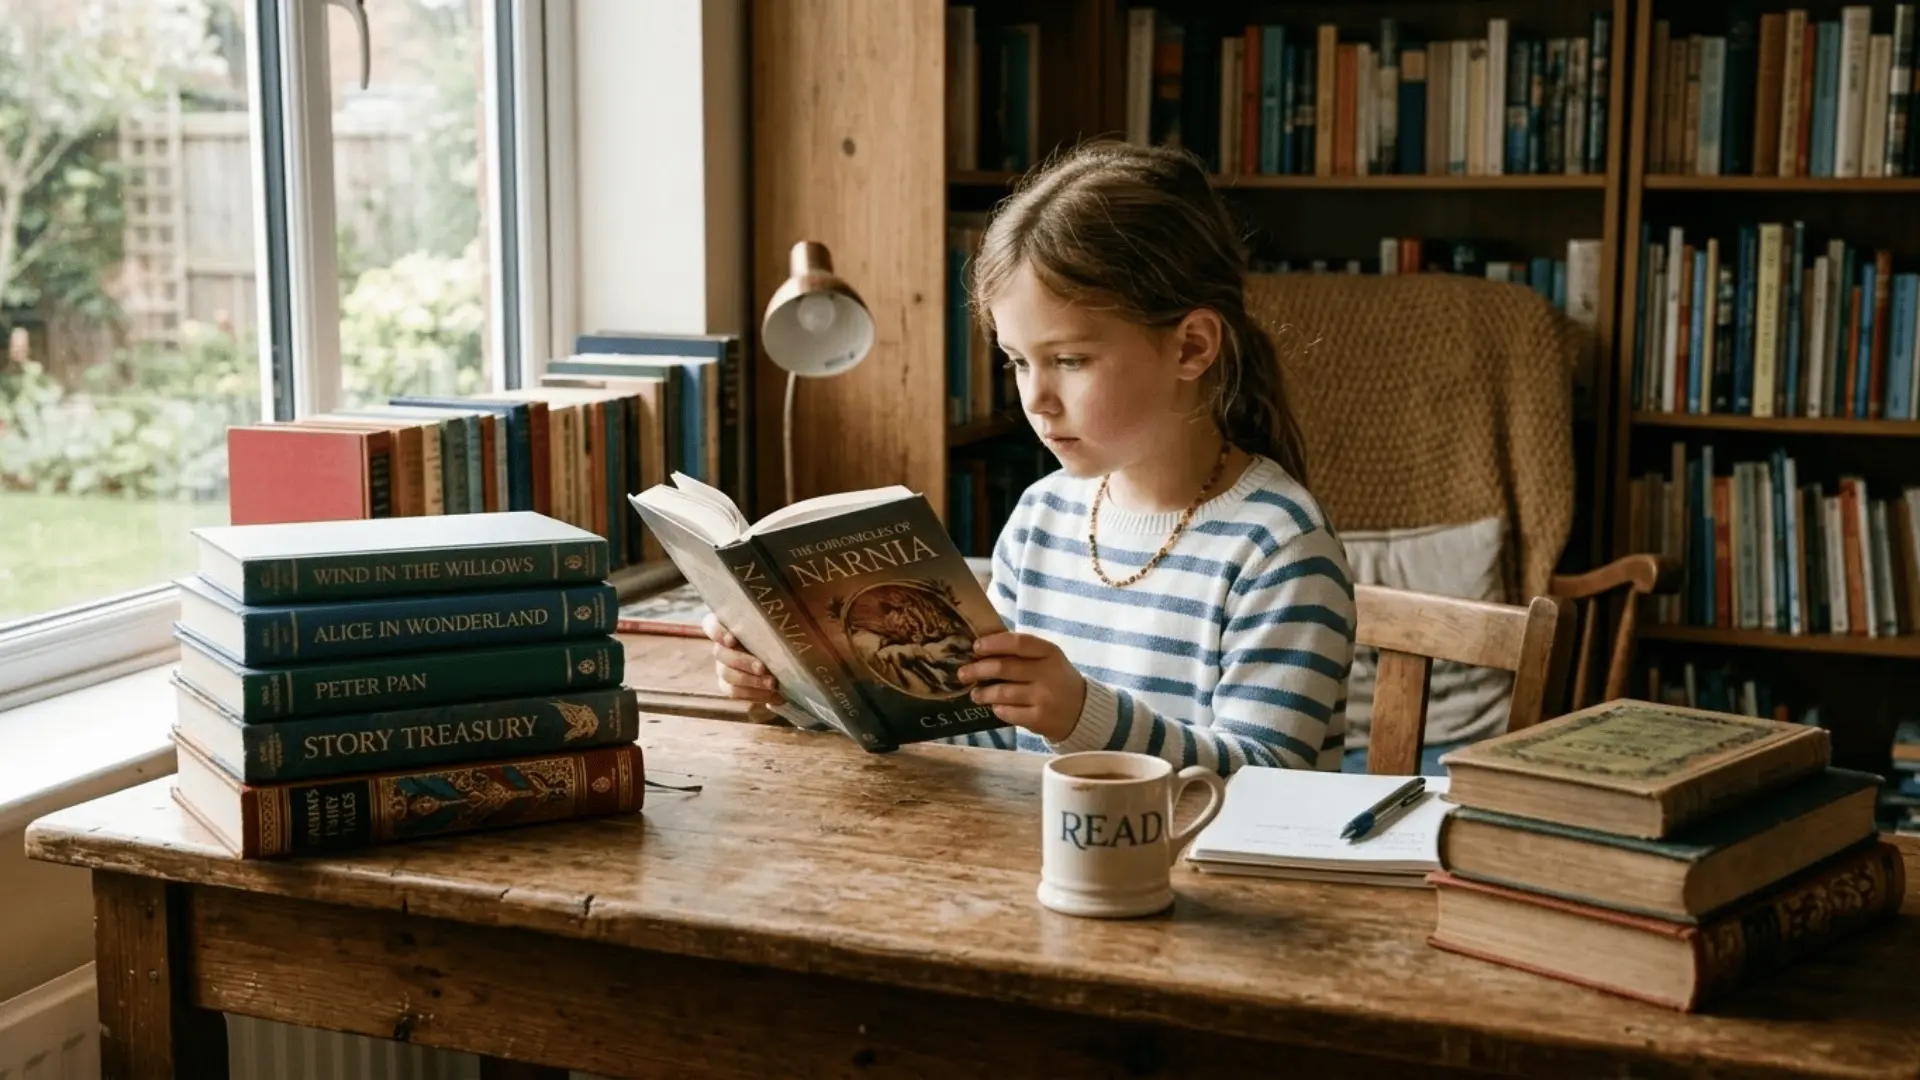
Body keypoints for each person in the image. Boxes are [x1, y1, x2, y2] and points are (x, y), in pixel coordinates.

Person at [703, 139, 1356, 775]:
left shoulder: (1278, 547)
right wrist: (801, 691)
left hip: (1203, 881)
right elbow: (987, 736)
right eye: (1017, 361)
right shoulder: (1044, 516)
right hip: (1038, 869)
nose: (1035, 399)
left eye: (1070, 360)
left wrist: (1081, 716)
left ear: (1190, 348)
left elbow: (1272, 781)